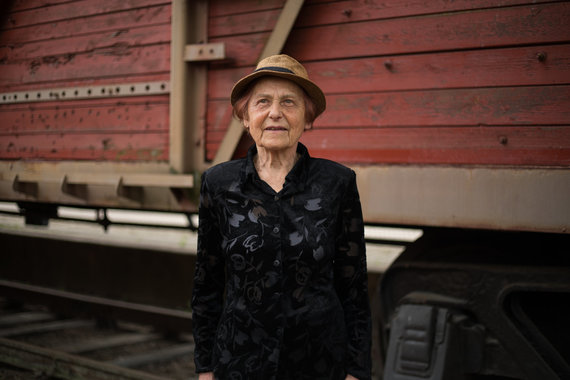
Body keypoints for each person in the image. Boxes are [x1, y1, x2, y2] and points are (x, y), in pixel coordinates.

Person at [191, 54, 371, 380]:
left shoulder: (337, 183)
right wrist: (205, 368)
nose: (275, 112)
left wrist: (357, 371)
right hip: (240, 362)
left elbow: (354, 287)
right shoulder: (218, 184)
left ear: (308, 119)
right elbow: (207, 284)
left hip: (319, 363)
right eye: (263, 102)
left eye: (289, 102)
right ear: (246, 117)